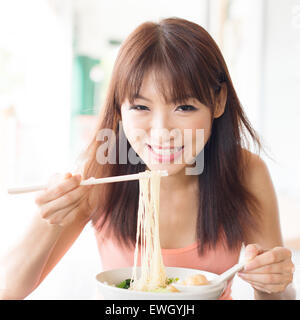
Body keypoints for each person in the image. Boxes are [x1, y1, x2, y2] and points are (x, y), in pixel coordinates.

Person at [0, 17, 295, 300]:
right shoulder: (101, 171)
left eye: (184, 107)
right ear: (119, 108)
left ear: (218, 101)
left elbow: (277, 296)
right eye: (141, 107)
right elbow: (8, 290)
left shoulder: (246, 171)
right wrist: (48, 218)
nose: (161, 132)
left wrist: (273, 283)